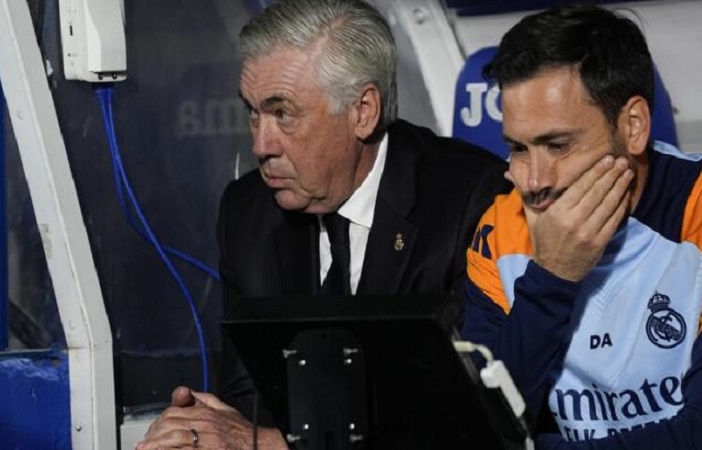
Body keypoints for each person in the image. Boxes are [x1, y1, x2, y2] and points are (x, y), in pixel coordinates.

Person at [137, 0, 508, 448]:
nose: (260, 145)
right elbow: (250, 398)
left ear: (363, 111)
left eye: (282, 114)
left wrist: (272, 445)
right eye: (252, 112)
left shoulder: (472, 201)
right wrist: (206, 432)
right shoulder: (248, 211)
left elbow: (463, 421)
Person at [461, 4, 702, 449]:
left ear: (634, 126)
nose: (534, 181)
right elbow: (476, 426)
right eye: (519, 149)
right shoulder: (501, 229)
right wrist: (551, 279)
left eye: (558, 145)